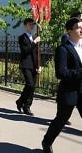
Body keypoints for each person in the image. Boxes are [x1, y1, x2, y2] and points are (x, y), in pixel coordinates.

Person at [42, 17, 82, 153]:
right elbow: (61, 73)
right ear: (69, 31)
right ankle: (47, 141)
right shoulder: (63, 49)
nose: (81, 29)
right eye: (78, 27)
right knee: (61, 120)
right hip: (69, 92)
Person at [16, 18, 41, 116]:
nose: (32, 26)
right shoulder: (22, 37)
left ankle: (27, 106)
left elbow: (37, 53)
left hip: (34, 65)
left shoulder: (35, 36)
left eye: (33, 25)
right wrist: (34, 42)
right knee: (30, 84)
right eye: (30, 24)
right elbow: (26, 51)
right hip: (25, 64)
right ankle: (21, 101)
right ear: (25, 25)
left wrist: (39, 66)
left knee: (32, 87)